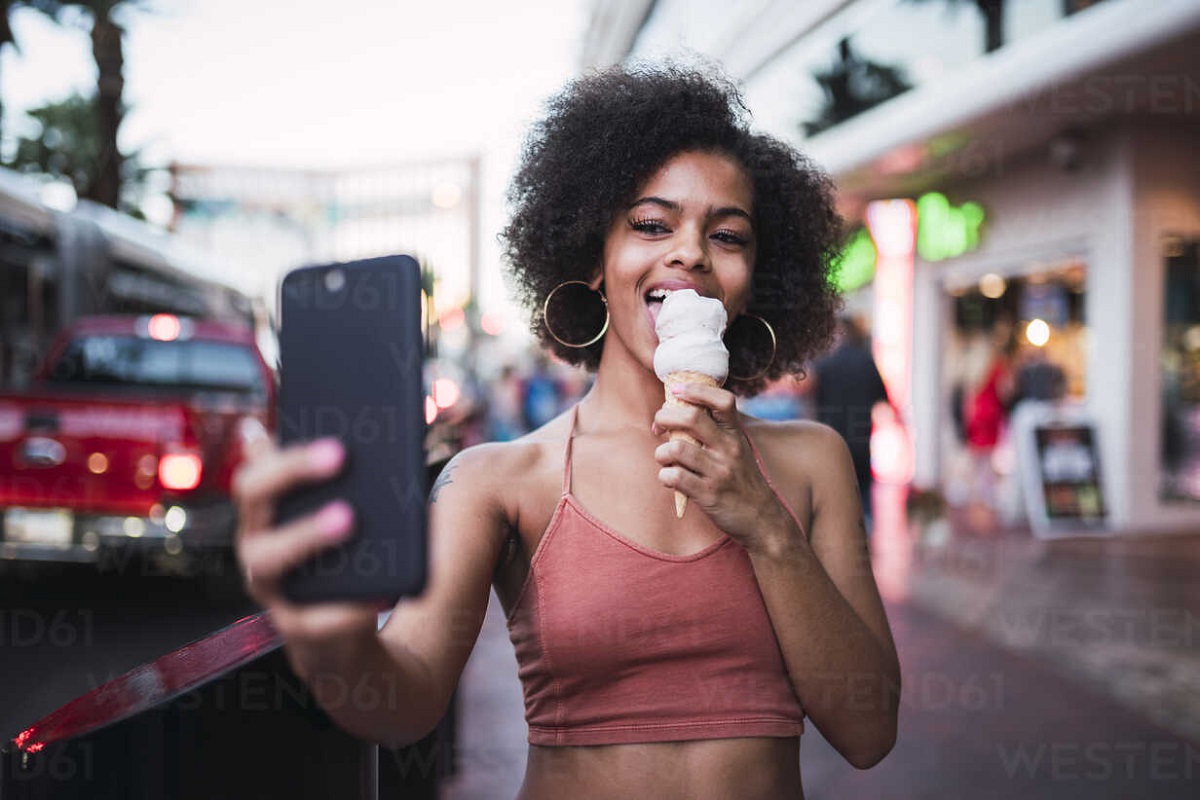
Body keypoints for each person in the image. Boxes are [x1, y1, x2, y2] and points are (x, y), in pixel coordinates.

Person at [232, 64, 900, 798]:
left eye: (729, 235)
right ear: (592, 258)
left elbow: (868, 733)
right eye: (651, 224)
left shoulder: (811, 462)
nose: (691, 253)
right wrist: (334, 643)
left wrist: (766, 527)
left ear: (756, 283)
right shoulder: (499, 479)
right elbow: (404, 703)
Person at [809, 315, 892, 524]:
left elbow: (814, 400)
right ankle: (865, 537)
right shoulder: (866, 361)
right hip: (861, 438)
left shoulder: (825, 365)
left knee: (835, 498)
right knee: (863, 495)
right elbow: (883, 399)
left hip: (831, 439)